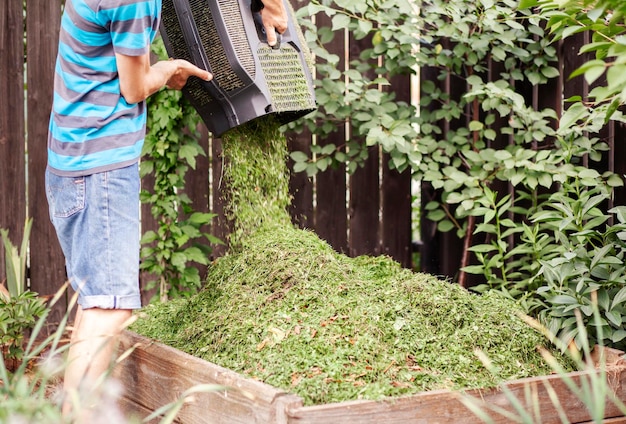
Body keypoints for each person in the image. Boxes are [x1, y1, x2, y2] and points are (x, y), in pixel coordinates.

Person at [45, 0, 287, 418]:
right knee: (109, 309)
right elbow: (134, 88)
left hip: (76, 161)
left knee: (99, 303)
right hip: (98, 169)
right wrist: (168, 70)